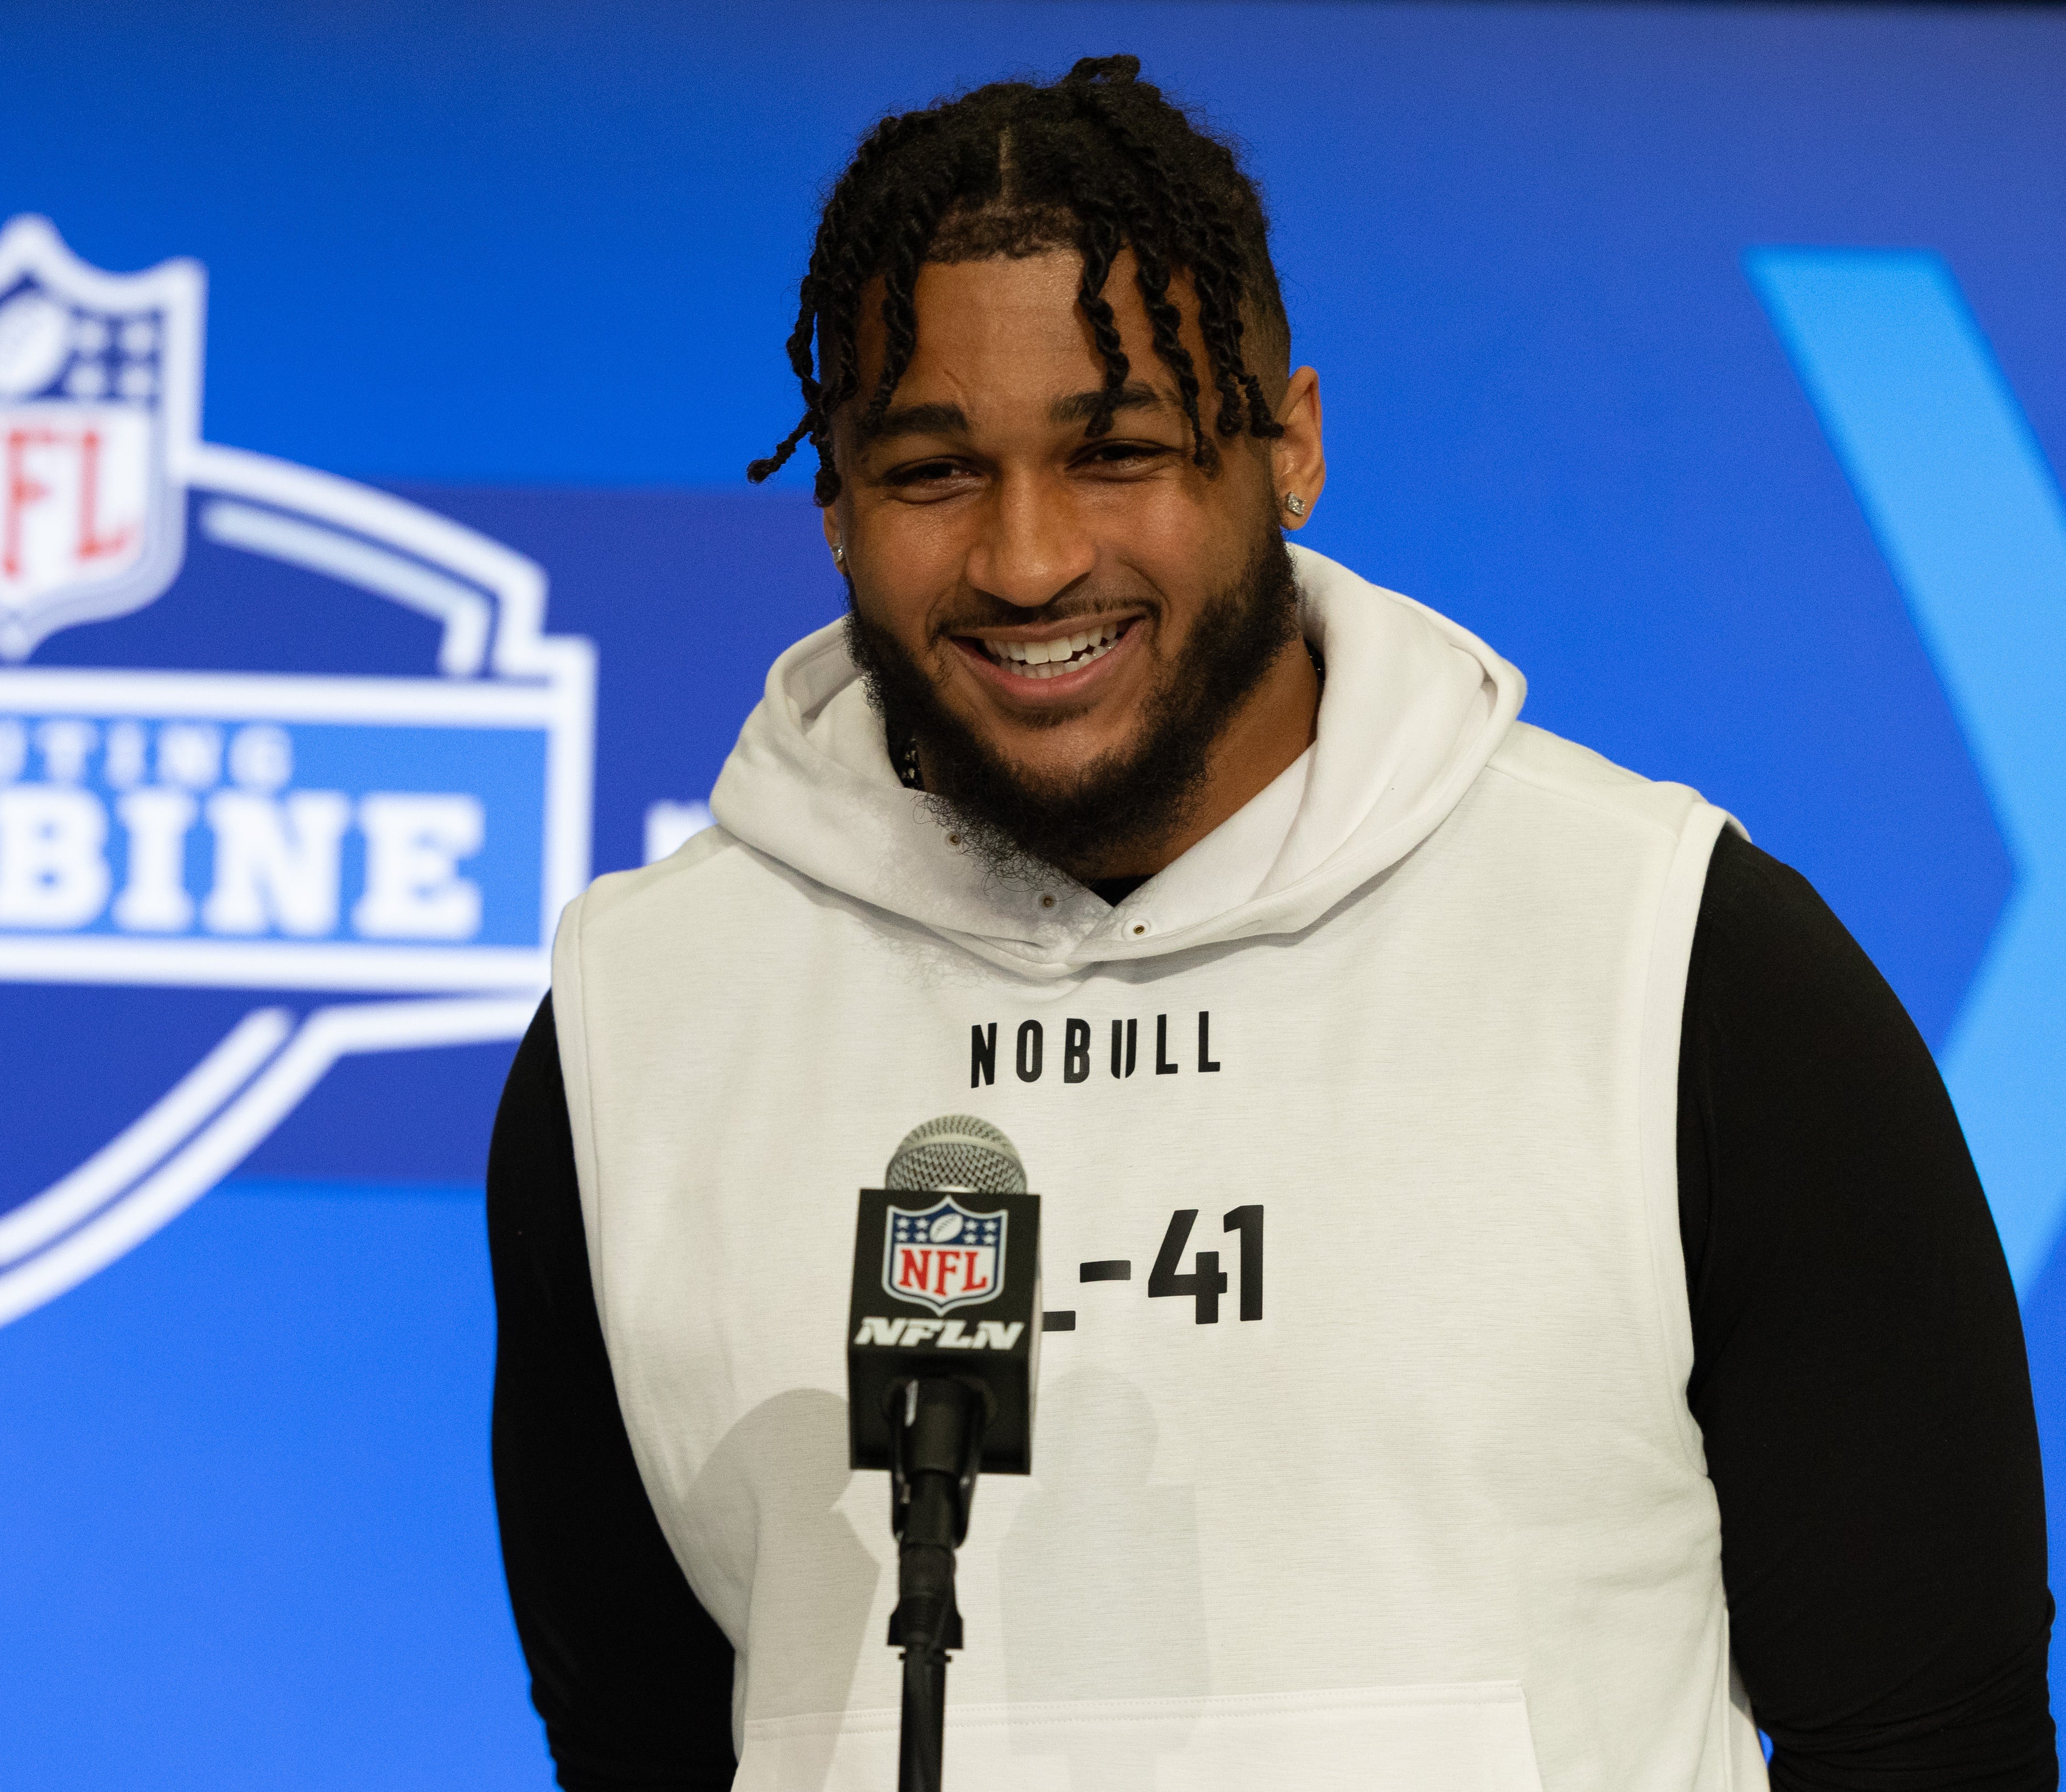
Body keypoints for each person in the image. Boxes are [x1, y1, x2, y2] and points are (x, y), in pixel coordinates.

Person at [487, 54, 2051, 1791]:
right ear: (836, 506)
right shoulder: (643, 1024)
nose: (1025, 560)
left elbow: (1930, 1738)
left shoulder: (1680, 964)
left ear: (1286, 445)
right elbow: (633, 1737)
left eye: (1118, 452)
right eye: (933, 472)